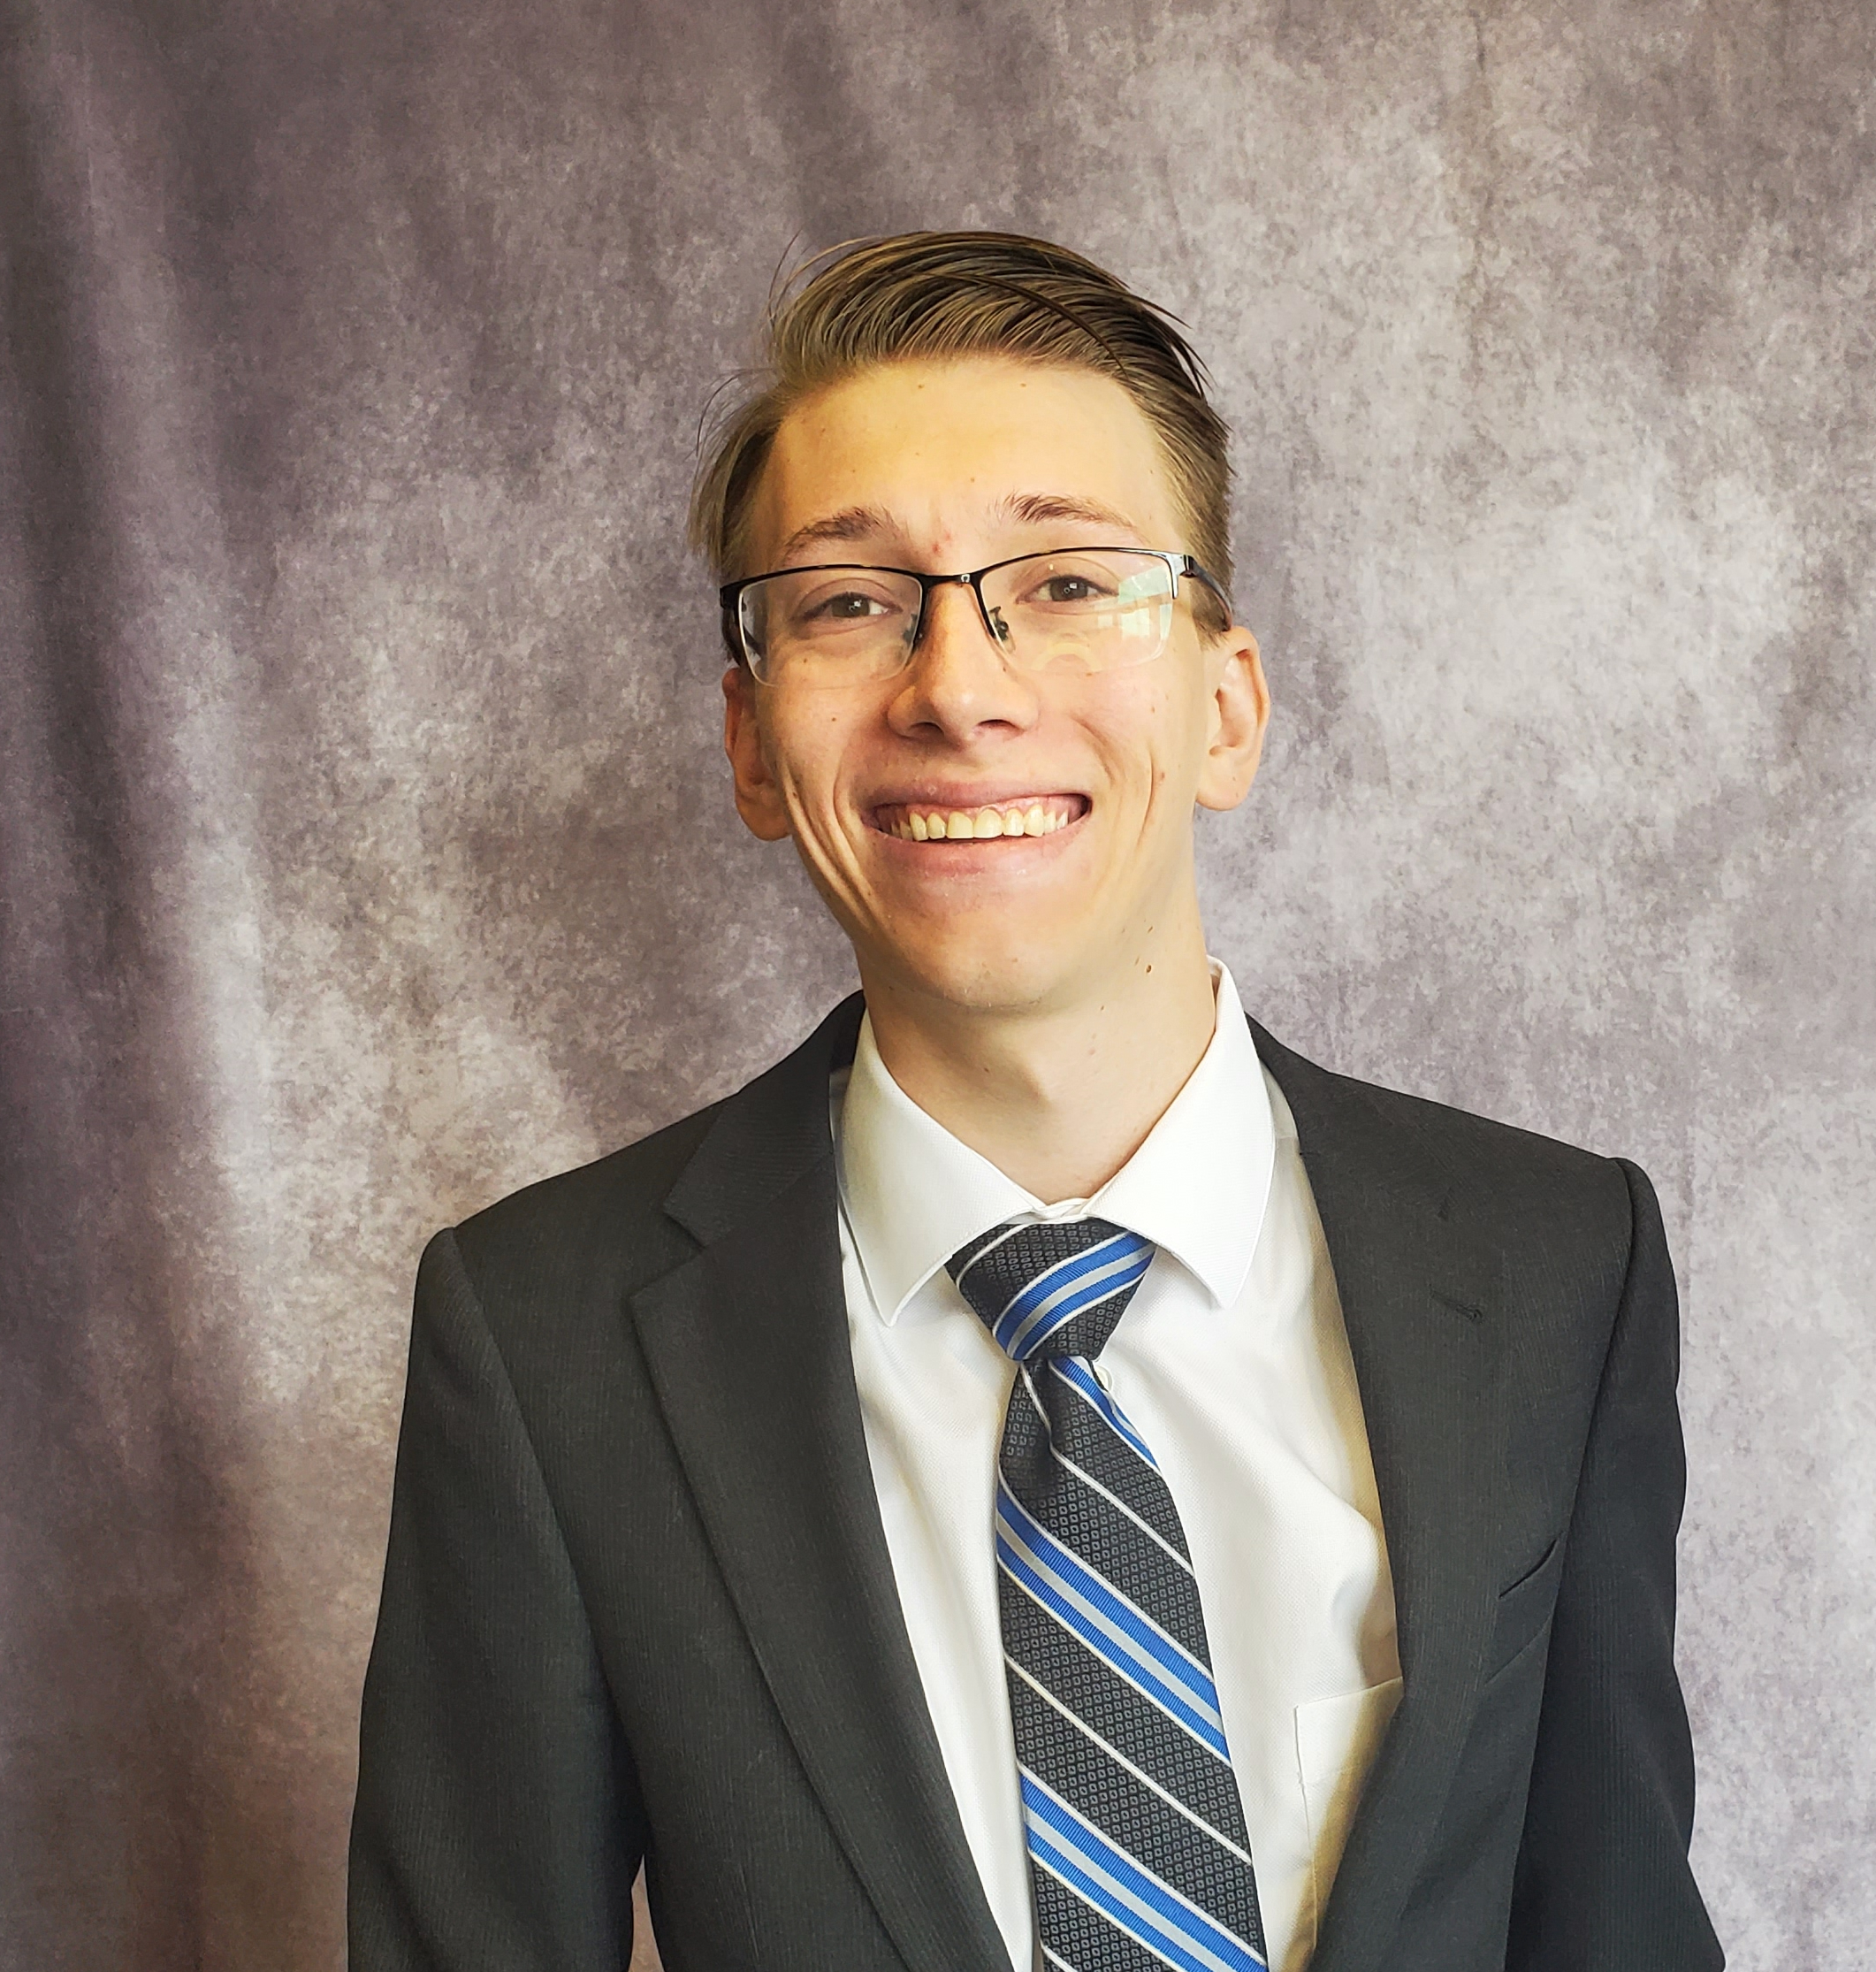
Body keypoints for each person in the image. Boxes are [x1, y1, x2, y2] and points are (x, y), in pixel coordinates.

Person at [348, 231, 1724, 1972]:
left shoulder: (1553, 1262)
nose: (957, 685)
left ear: (1225, 709)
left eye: (1067, 580)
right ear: (751, 741)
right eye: (849, 602)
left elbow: (1615, 1922)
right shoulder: (541, 1334)